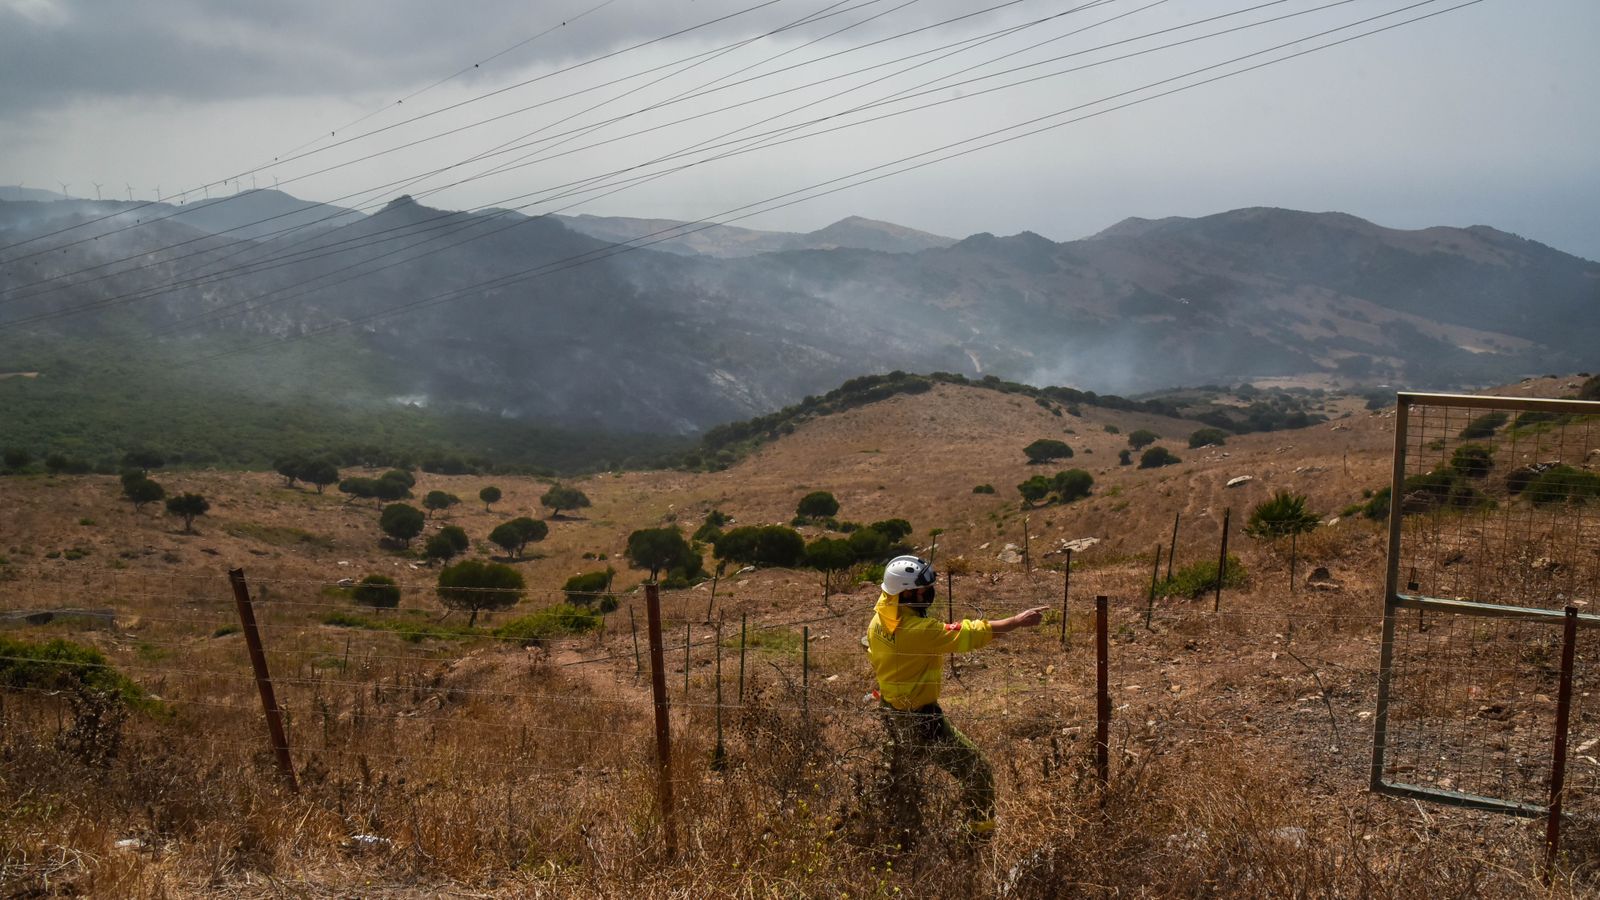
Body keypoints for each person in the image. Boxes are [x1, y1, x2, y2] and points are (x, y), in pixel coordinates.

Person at [866, 554, 1048, 840]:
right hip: (920, 718)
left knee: (901, 775)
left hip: (891, 709)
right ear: (906, 593)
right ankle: (978, 838)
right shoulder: (918, 632)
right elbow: (968, 633)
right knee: (977, 770)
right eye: (924, 590)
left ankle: (893, 829)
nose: (929, 593)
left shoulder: (880, 618)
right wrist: (1014, 621)